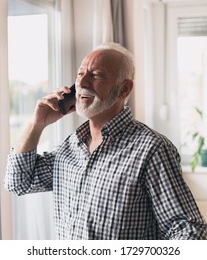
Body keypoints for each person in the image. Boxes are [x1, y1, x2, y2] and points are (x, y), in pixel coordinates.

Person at [5, 42, 207, 240]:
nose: (82, 83)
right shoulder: (69, 148)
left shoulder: (152, 149)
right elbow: (18, 182)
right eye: (80, 74)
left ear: (124, 89)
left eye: (96, 75)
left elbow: (189, 231)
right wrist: (37, 124)